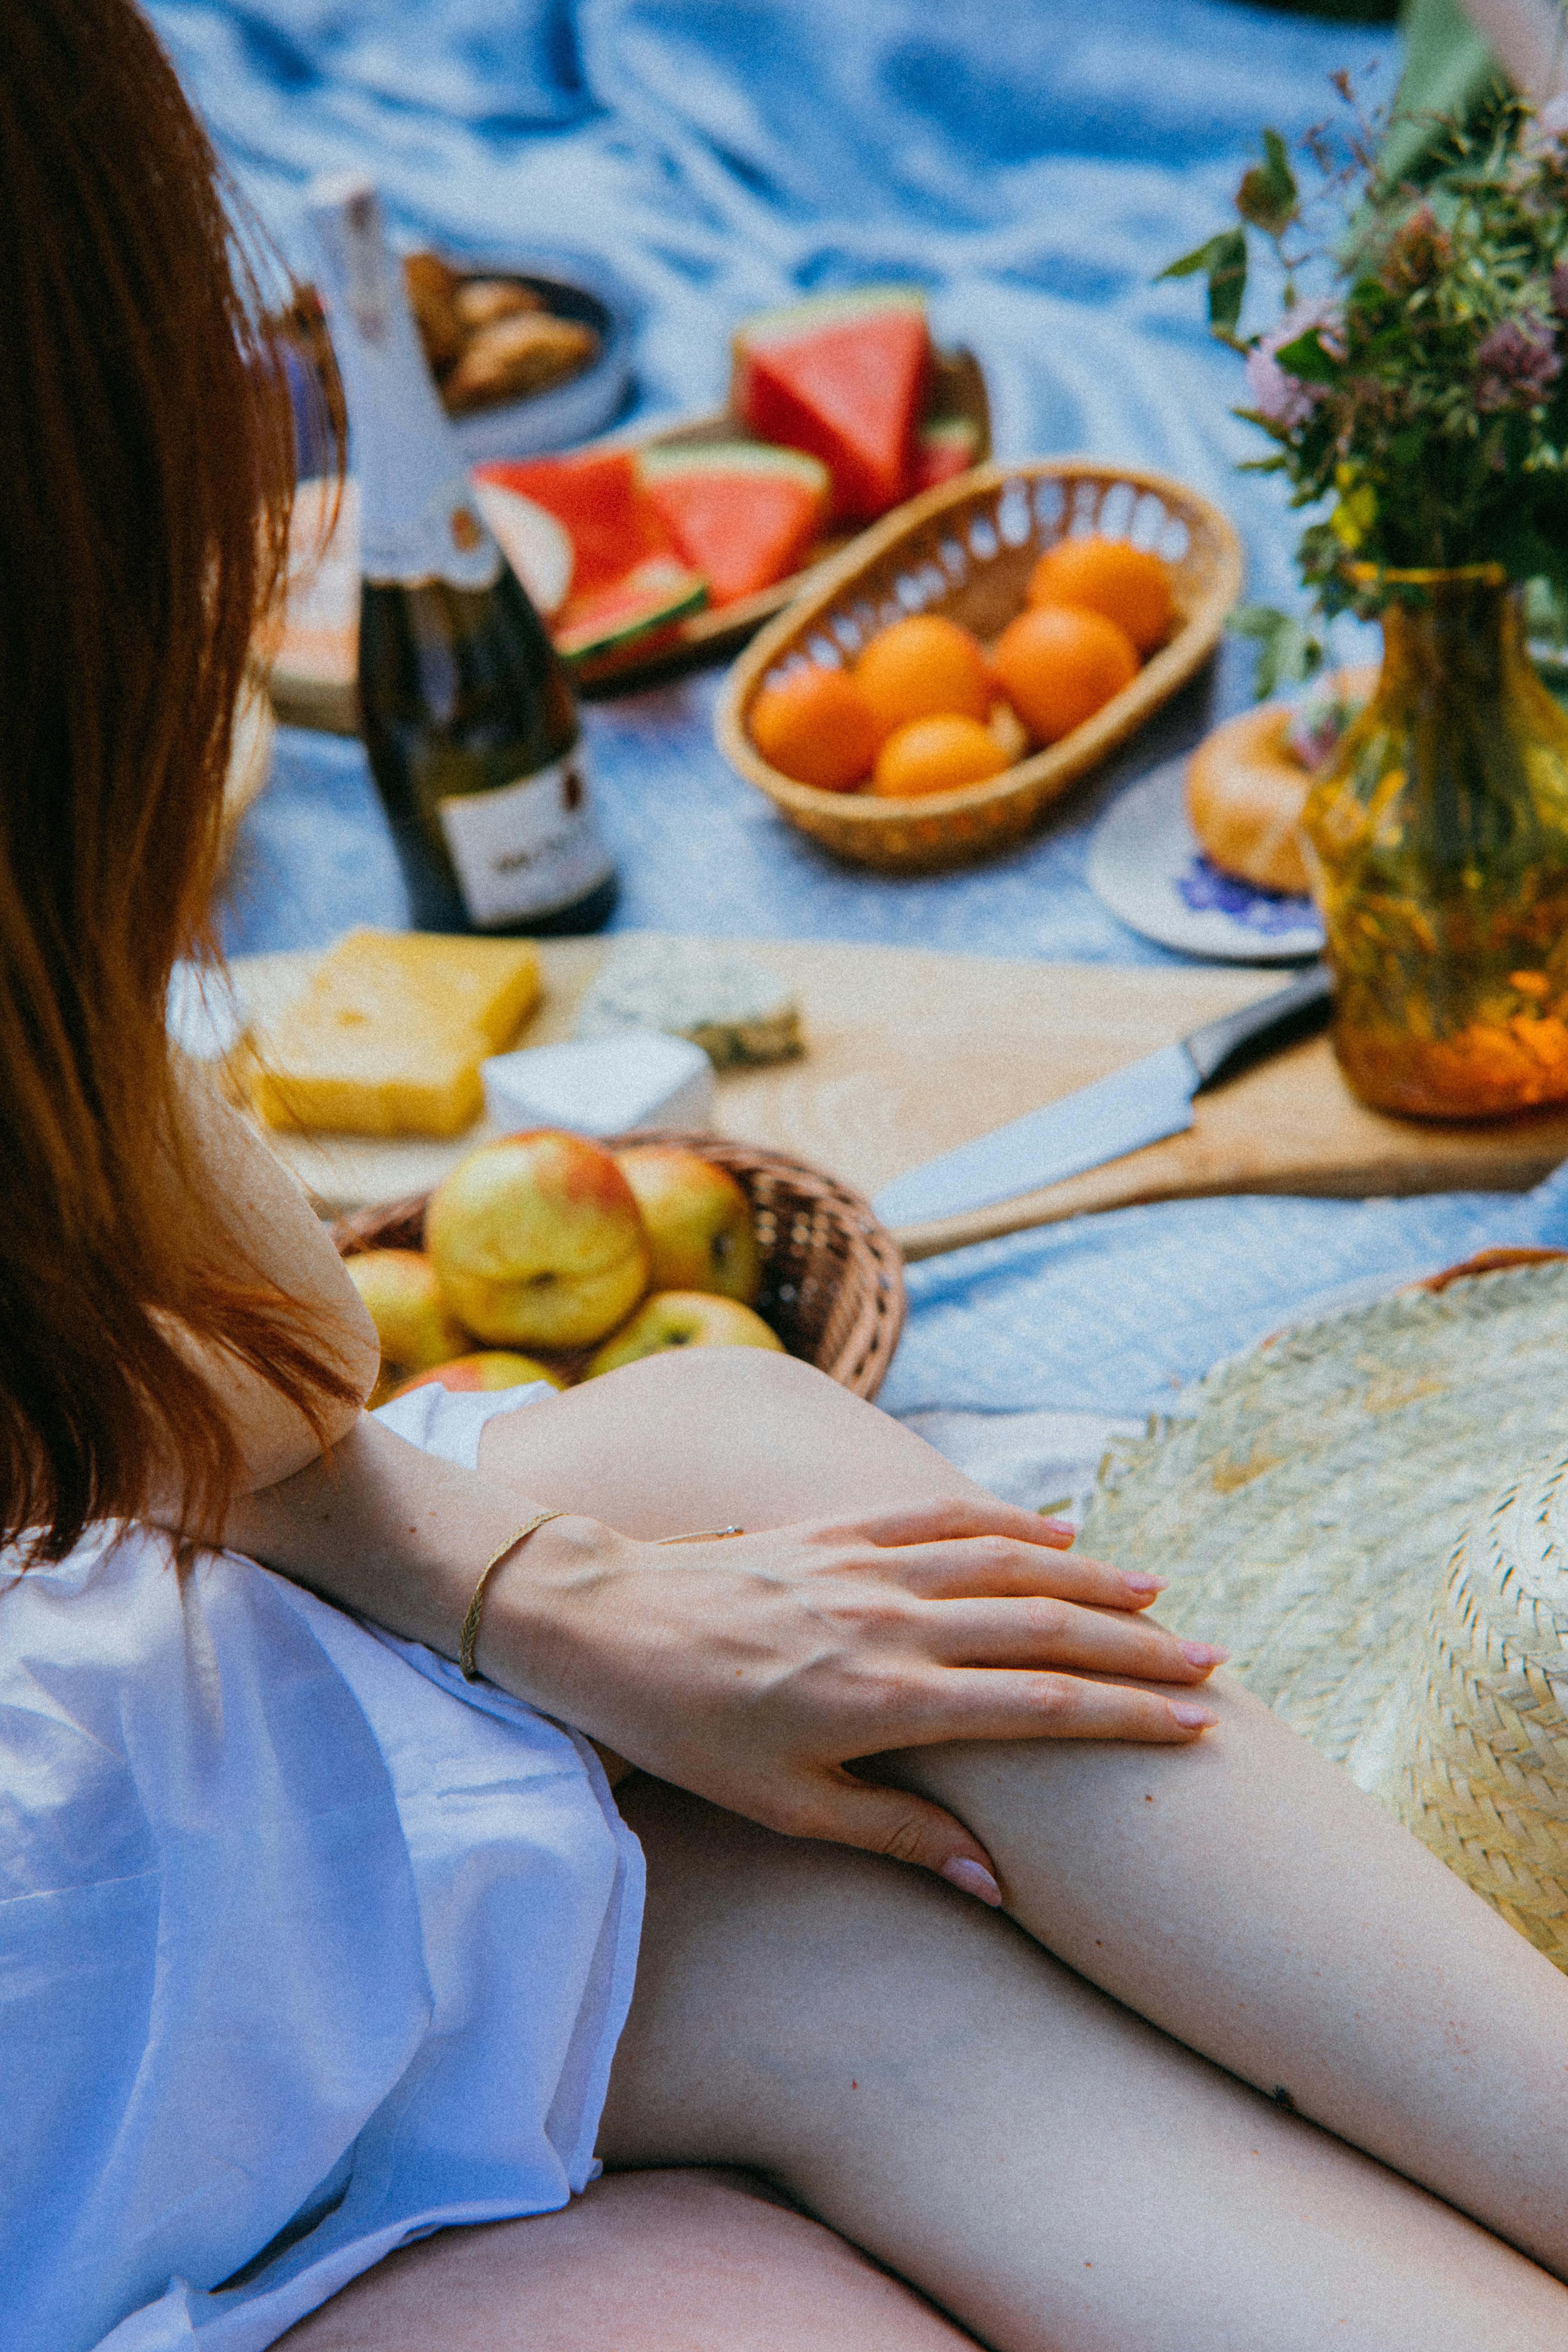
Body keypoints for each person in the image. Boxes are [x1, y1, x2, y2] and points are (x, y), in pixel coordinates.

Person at [5, 5, 1568, 2348]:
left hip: (136, 1828)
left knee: (778, 1545)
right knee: (764, 2196)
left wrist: (522, 1586)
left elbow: (203, 1326)